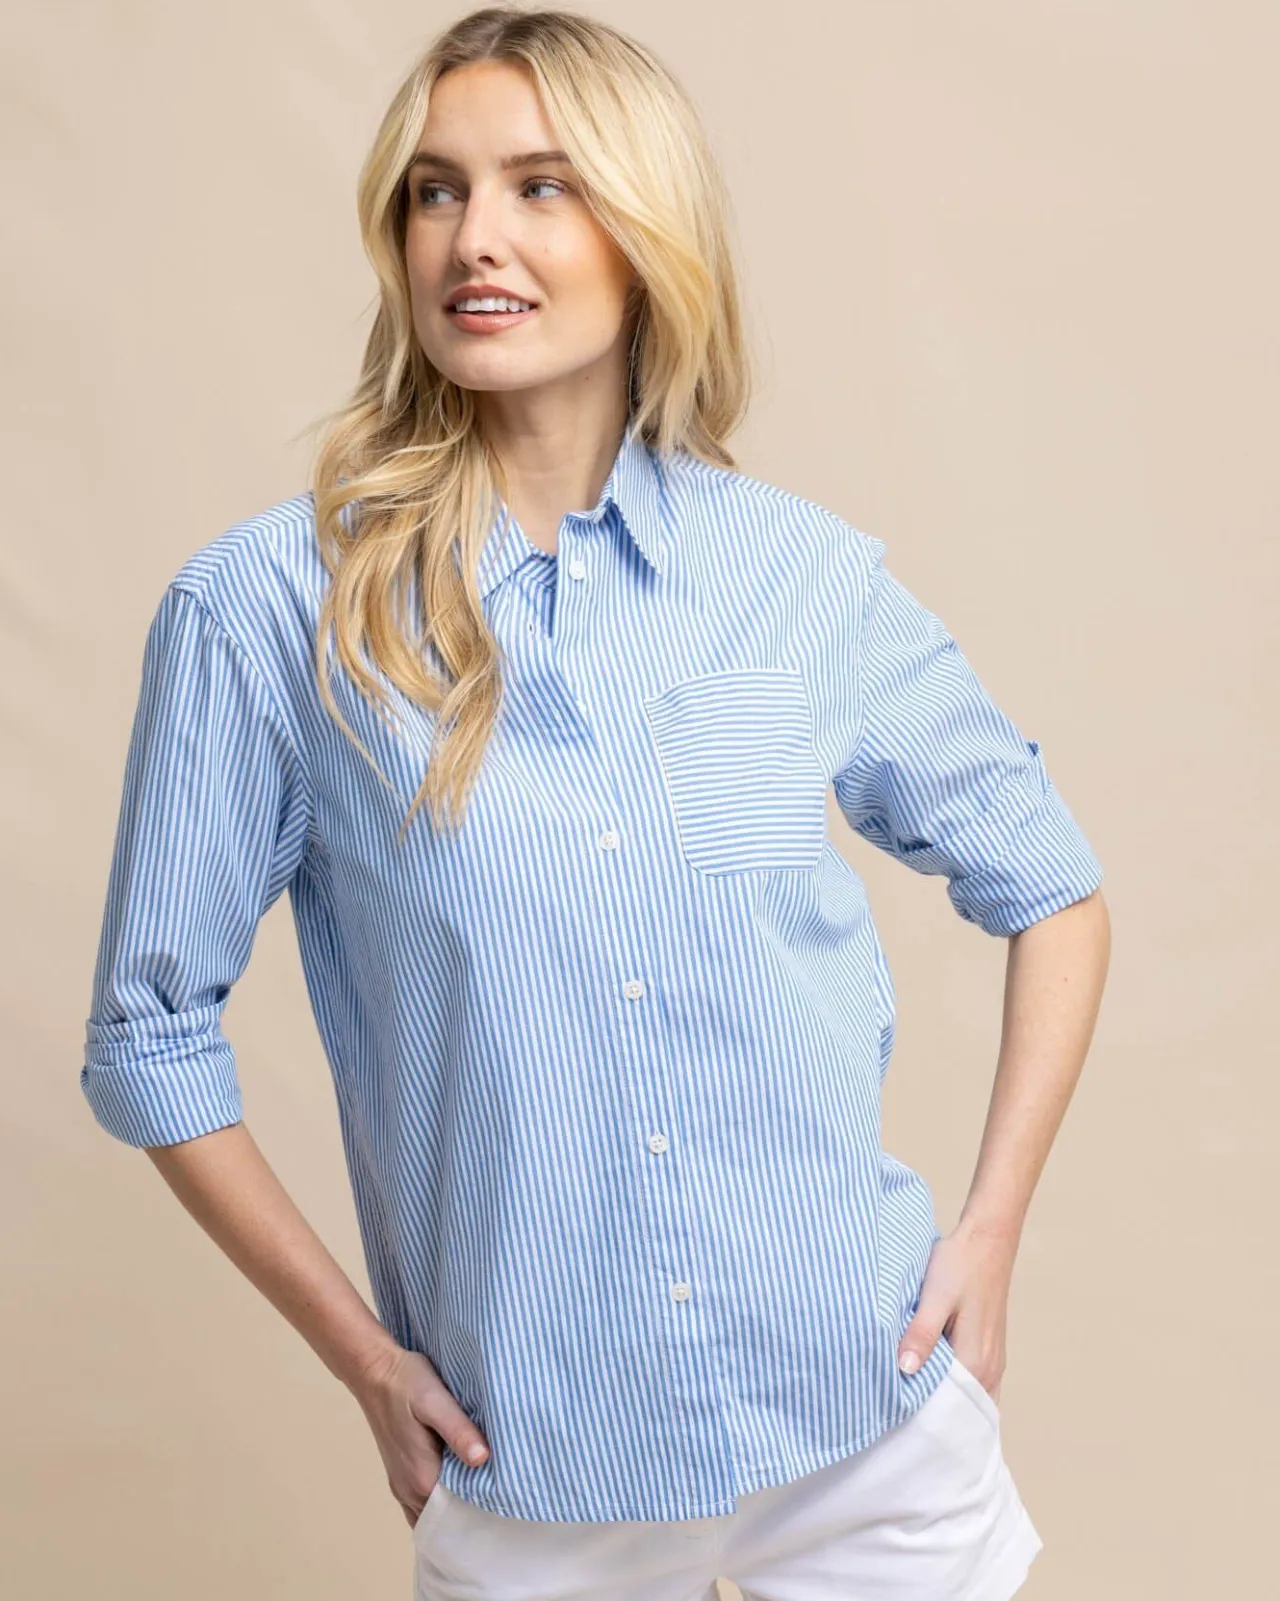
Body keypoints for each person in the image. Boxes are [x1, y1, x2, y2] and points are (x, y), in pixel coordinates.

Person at [80, 7, 1111, 1599]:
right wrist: (363, 1358)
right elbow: (146, 1037)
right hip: (534, 1465)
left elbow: (1052, 887)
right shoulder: (272, 614)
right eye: (435, 191)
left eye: (541, 186)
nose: (473, 238)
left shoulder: (798, 580)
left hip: (864, 1418)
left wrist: (991, 1233)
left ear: (646, 232)